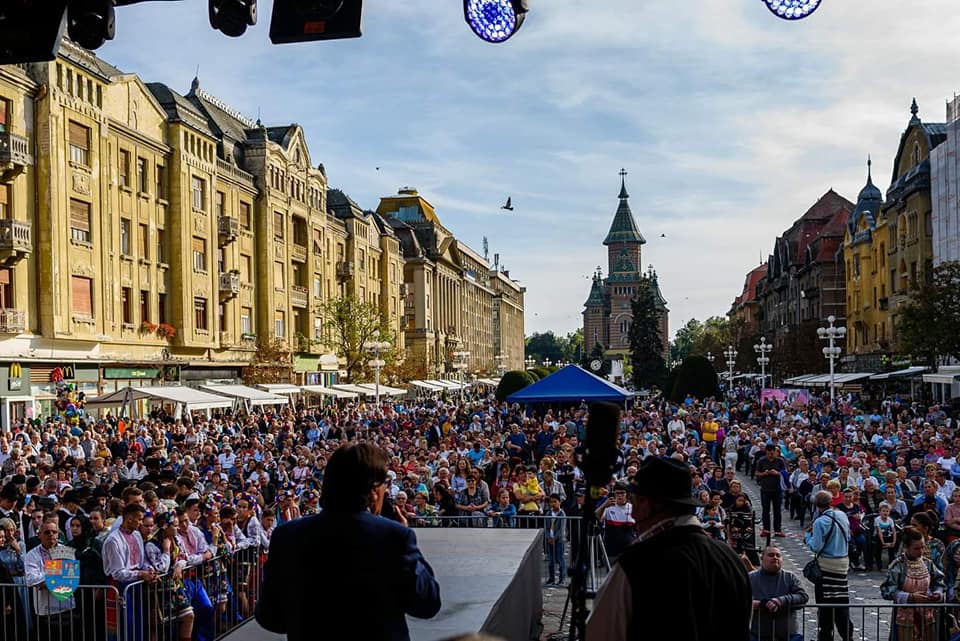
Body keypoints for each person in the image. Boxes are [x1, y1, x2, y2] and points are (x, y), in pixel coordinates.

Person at [255, 443, 441, 641]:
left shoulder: (287, 536)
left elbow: (269, 616)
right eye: (385, 482)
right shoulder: (393, 537)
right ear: (373, 489)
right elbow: (427, 603)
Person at [587, 456, 751, 640]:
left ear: (649, 504)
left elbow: (600, 634)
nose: (632, 513)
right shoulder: (730, 559)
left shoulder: (637, 564)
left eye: (635, 502)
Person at [880, 526, 945, 641]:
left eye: (922, 547)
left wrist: (937, 593)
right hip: (904, 618)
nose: (921, 552)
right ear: (906, 547)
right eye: (916, 548)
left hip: (927, 616)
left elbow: (939, 581)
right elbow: (887, 590)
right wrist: (910, 597)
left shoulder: (928, 563)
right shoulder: (898, 565)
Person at [805, 490, 853, 641]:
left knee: (825, 605)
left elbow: (816, 546)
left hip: (826, 567)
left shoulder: (820, 522)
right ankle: (847, 635)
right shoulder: (842, 515)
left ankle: (825, 636)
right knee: (841, 602)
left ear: (817, 505)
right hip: (843, 564)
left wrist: (807, 537)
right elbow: (849, 536)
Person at [23, 518, 76, 641]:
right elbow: (31, 580)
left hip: (67, 607)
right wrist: (57, 572)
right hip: (44, 610)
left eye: (54, 532)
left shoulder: (66, 551)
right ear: (39, 535)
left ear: (58, 534)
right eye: (47, 532)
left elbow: (71, 578)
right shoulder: (31, 554)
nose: (51, 534)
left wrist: (44, 580)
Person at [749, 546, 809, 641]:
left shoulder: (790, 577)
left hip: (788, 635)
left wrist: (781, 600)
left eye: (778, 555)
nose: (775, 558)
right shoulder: (751, 578)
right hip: (758, 634)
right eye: (771, 555)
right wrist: (754, 604)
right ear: (762, 558)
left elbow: (803, 596)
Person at [755, 444, 786, 538]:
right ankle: (766, 529)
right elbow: (756, 472)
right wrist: (764, 473)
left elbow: (784, 473)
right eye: (769, 453)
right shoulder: (761, 461)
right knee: (765, 510)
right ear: (766, 452)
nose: (771, 455)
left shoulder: (780, 461)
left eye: (772, 453)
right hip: (765, 489)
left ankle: (778, 530)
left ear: (775, 452)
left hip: (777, 489)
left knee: (777, 511)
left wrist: (777, 473)